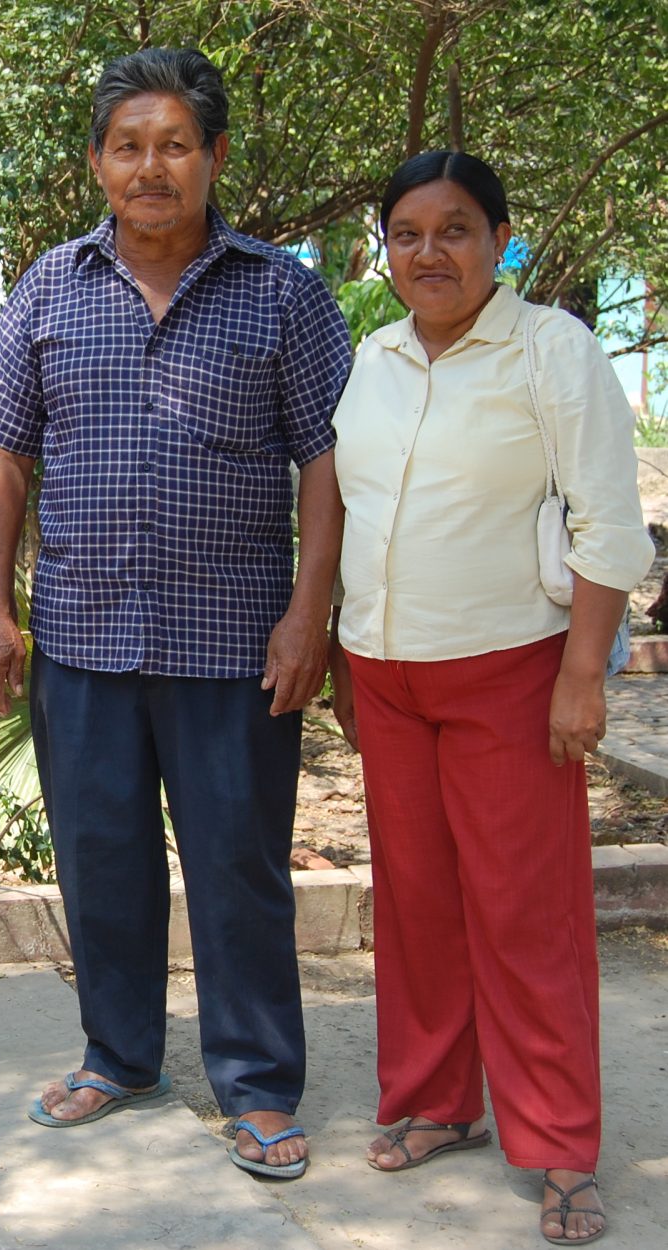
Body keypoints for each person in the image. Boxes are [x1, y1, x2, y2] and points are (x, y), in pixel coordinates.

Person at [0, 48, 350, 1177]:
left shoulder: (283, 292)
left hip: (235, 642)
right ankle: (120, 1053)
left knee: (239, 868)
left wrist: (312, 611)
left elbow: (328, 463)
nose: (151, 167)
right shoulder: (48, 287)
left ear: (214, 156)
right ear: (97, 161)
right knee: (100, 860)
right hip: (82, 634)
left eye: (175, 145)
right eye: (128, 146)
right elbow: (3, 461)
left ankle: (259, 1084)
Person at [328, 150, 652, 1245]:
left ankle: (559, 1142)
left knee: (526, 912)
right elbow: (353, 510)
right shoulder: (373, 357)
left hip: (512, 671)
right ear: (385, 247)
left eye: (455, 229)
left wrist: (581, 677)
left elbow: (609, 522)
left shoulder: (553, 349)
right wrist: (343, 655)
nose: (429, 252)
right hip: (387, 674)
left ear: (499, 241)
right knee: (417, 901)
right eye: (407, 233)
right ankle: (438, 1100)